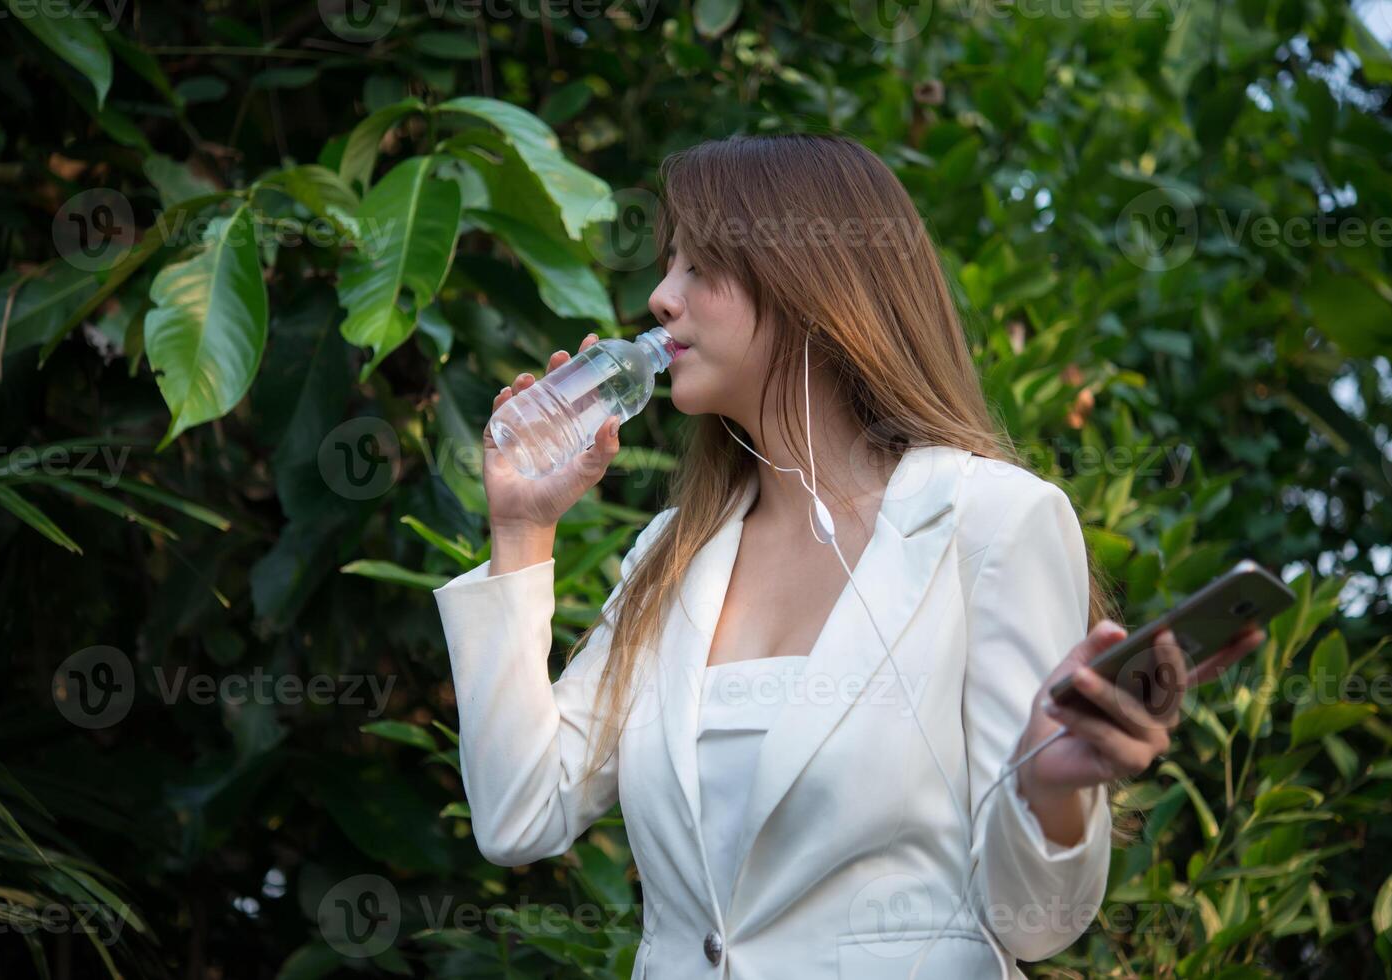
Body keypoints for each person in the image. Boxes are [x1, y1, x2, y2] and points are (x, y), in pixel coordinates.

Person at [434, 133, 1264, 979]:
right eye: (666, 266)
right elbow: (517, 814)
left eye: (698, 267)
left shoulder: (990, 522)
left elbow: (1034, 926)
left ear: (810, 283)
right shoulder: (671, 556)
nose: (658, 299)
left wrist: (1049, 791)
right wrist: (521, 531)